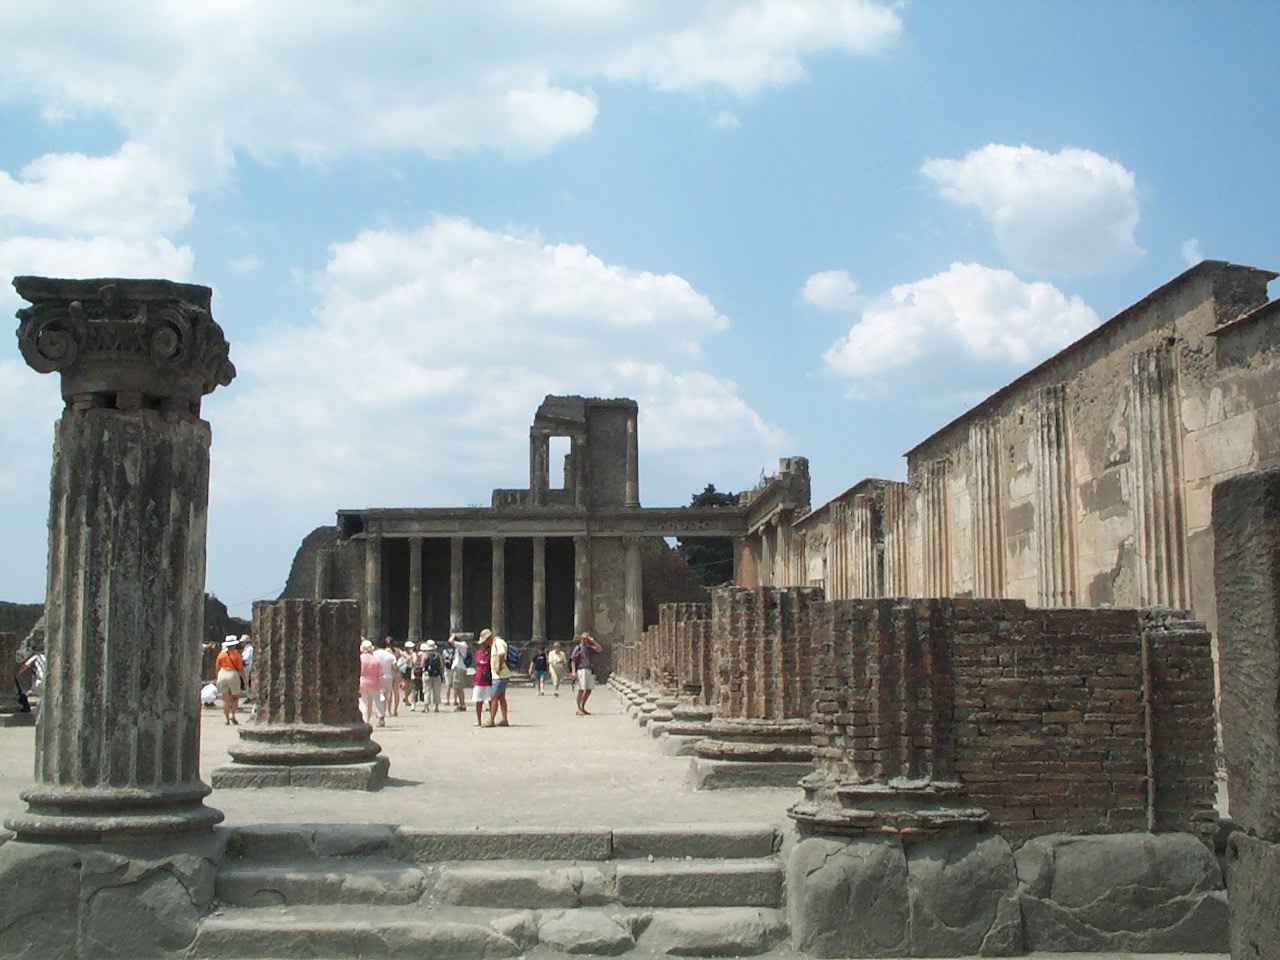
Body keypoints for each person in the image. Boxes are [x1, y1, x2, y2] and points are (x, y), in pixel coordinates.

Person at [215, 635, 246, 726]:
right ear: (234, 645)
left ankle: (227, 719)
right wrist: (245, 679)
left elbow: (217, 667)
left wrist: (217, 677)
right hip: (232, 674)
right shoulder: (237, 655)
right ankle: (233, 715)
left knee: (225, 699)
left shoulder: (221, 654)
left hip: (222, 673)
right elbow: (241, 669)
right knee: (235, 697)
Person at [570, 633, 604, 716]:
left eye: (586, 639)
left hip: (589, 669)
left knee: (588, 690)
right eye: (583, 638)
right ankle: (578, 708)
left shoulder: (589, 648)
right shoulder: (578, 648)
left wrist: (593, 641)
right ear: (581, 639)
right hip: (581, 670)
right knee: (581, 689)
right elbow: (573, 660)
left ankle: (582, 707)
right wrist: (573, 672)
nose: (585, 640)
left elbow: (600, 649)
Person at [471, 630, 494, 727]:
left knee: (490, 701)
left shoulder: (491, 652)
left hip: (488, 679)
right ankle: (479, 720)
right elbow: (478, 663)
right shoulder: (478, 652)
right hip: (479, 679)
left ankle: (491, 719)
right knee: (478, 701)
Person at [489, 631, 511, 727]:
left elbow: (501, 654)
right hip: (499, 675)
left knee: (494, 697)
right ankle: (504, 719)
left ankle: (491, 720)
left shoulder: (498, 642)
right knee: (501, 697)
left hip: (500, 675)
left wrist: (499, 666)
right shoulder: (495, 643)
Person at [358, 639, 382, 725]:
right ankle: (370, 718)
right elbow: (380, 673)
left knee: (363, 702)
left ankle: (365, 720)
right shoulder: (376, 659)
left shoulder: (360, 659)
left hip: (362, 682)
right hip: (374, 683)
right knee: (371, 702)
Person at [375, 637, 399, 721]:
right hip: (390, 677)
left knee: (379, 696)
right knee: (388, 695)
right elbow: (395, 667)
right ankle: (387, 712)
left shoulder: (375, 654)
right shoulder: (393, 654)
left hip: (379, 677)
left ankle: (381, 713)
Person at [448, 633, 470, 712]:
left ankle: (462, 704)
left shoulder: (463, 644)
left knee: (459, 687)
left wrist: (453, 635)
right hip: (457, 668)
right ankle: (461, 704)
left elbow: (450, 641)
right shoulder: (459, 646)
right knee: (457, 687)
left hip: (459, 668)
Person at [422, 640, 444, 712]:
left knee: (427, 691)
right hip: (436, 675)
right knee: (437, 691)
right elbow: (441, 666)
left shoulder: (425, 655)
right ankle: (436, 707)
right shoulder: (438, 655)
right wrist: (441, 674)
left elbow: (422, 665)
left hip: (427, 674)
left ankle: (426, 707)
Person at [399, 641, 416, 710]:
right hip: (404, 670)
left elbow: (414, 661)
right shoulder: (403, 653)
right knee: (406, 686)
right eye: (410, 647)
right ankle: (406, 700)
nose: (412, 648)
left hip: (410, 669)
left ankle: (406, 698)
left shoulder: (413, 654)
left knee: (410, 687)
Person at [239, 634, 254, 701]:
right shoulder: (246, 649)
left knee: (247, 683)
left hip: (247, 667)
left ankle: (250, 697)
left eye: (242, 642)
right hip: (245, 667)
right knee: (246, 683)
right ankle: (249, 696)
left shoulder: (250, 649)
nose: (241, 643)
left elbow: (245, 658)